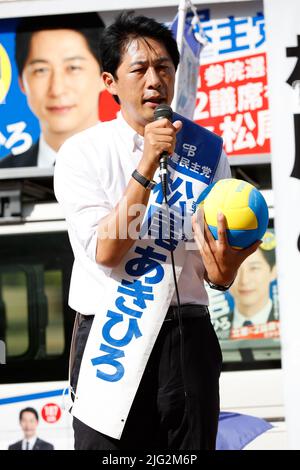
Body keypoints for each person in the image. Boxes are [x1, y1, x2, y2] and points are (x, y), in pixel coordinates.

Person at [54, 12, 260, 450]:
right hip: (114, 336)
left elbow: (212, 269)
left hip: (188, 338)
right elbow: (105, 253)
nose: (154, 80)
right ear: (110, 82)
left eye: (164, 67)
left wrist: (225, 271)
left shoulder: (206, 151)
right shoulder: (81, 154)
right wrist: (146, 162)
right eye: (140, 69)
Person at [0, 13, 104, 168]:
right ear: (21, 82)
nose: (57, 89)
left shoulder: (136, 162)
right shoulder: (6, 170)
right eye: (41, 70)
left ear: (105, 77)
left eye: (73, 68)